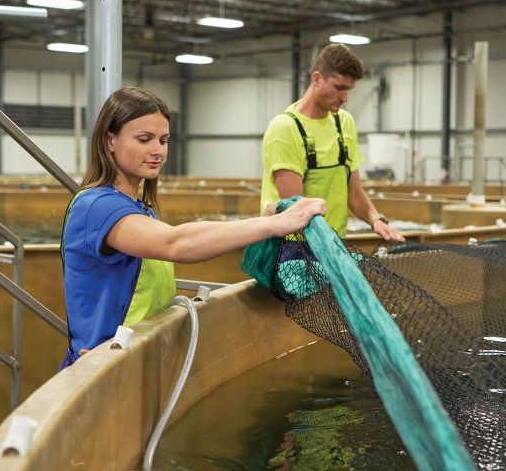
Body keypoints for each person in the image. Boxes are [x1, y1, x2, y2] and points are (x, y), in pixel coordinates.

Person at [60, 87, 325, 369]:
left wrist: (264, 218)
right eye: (143, 139)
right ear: (110, 140)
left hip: (132, 362)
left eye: (163, 140)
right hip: (103, 367)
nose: (157, 151)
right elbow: (177, 243)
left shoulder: (138, 207)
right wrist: (272, 225)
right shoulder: (96, 206)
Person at [260, 44, 405, 242]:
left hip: (334, 245)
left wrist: (376, 220)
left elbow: (353, 192)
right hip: (293, 250)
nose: (345, 98)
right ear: (317, 79)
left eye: (349, 89)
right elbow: (297, 212)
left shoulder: (344, 123)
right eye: (339, 88)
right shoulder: (285, 129)